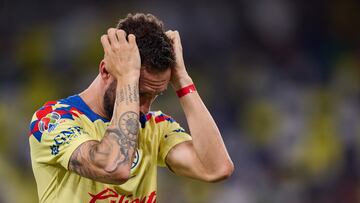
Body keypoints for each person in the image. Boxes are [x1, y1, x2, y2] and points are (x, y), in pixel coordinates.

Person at [29, 13, 234, 203]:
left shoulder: (155, 126)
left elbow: (217, 169)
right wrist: (128, 77)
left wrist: (182, 81)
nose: (144, 108)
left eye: (154, 96)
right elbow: (114, 167)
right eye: (140, 93)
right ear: (106, 71)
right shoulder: (52, 120)